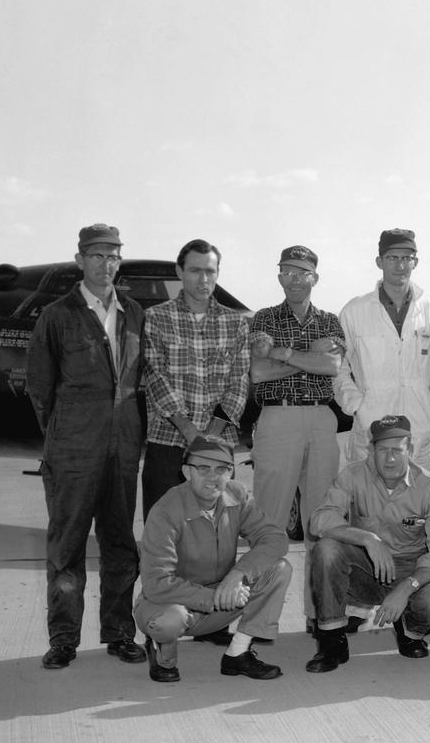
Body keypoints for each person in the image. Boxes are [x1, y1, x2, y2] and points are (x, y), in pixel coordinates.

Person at [26, 223, 147, 671]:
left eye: (113, 256)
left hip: (122, 450)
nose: (105, 264)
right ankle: (63, 639)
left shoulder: (134, 313)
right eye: (96, 255)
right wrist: (65, 434)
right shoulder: (57, 316)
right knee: (67, 547)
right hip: (73, 451)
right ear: (80, 260)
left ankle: (119, 634)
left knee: (120, 545)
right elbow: (40, 387)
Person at [133, 436, 291, 683]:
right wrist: (215, 597)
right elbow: (156, 583)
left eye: (221, 469)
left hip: (221, 597)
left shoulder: (236, 494)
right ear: (187, 472)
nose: (212, 477)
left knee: (278, 569)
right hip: (173, 602)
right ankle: (162, 653)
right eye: (203, 468)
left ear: (231, 472)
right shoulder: (165, 511)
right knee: (168, 622)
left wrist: (238, 574)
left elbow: (275, 539)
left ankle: (238, 653)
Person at [305, 414, 430, 672]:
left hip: (410, 567)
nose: (390, 458)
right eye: (383, 450)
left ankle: (410, 631)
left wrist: (406, 588)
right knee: (326, 549)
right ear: (371, 450)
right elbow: (319, 520)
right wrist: (367, 538)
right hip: (366, 566)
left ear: (410, 450)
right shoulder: (353, 475)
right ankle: (332, 641)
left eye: (397, 450)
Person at [248, 245, 344, 623]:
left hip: (321, 419)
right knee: (269, 522)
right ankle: (260, 620)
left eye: (302, 272)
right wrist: (307, 356)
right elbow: (259, 371)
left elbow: (332, 366)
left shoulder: (330, 321)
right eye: (287, 271)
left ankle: (319, 616)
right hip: (278, 417)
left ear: (315, 278)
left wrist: (283, 354)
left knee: (321, 522)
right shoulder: (264, 319)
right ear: (279, 277)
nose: (295, 279)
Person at [141, 238, 250, 520]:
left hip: (218, 446)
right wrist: (190, 432)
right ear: (179, 272)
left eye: (210, 271)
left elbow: (238, 382)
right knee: (163, 527)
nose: (203, 279)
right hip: (168, 444)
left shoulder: (235, 323)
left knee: (217, 529)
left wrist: (210, 435)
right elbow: (155, 377)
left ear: (217, 273)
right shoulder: (155, 318)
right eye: (195, 270)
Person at [333, 228, 430, 472]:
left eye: (407, 258)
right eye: (392, 257)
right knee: (369, 494)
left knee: (418, 494)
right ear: (379, 261)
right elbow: (338, 367)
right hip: (371, 428)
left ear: (416, 262)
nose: (400, 265)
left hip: (418, 428)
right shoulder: (355, 311)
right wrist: (356, 406)